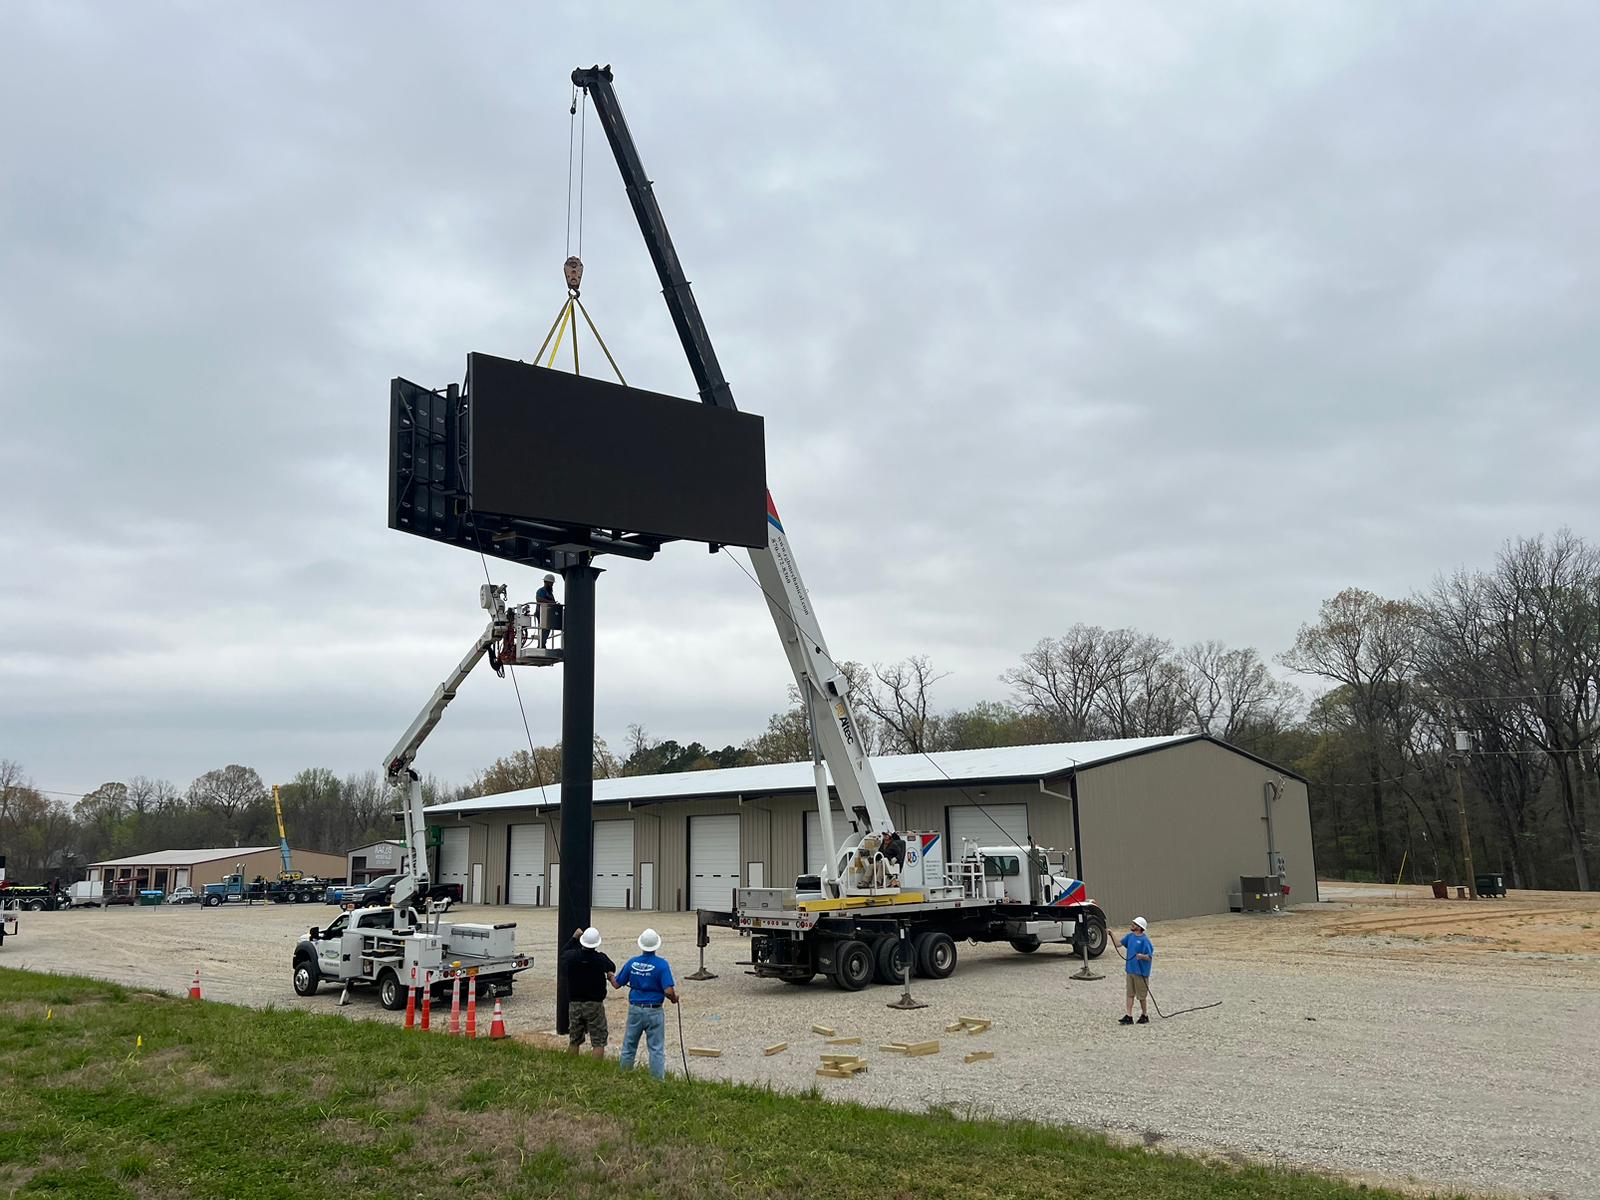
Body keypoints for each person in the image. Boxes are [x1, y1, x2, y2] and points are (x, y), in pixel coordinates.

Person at [611, 927, 679, 1080]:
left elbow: (616, 984)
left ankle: (624, 1077)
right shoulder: (662, 965)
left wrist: (609, 975)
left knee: (629, 1046)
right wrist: (674, 998)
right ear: (656, 946)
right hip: (654, 1010)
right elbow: (668, 991)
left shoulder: (632, 962)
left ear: (641, 945)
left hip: (635, 1009)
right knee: (656, 1049)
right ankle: (657, 1082)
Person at [561, 926, 616, 1059]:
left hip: (575, 1003)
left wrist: (574, 938)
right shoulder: (601, 959)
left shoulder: (571, 957)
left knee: (574, 1039)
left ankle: (572, 1066)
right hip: (594, 1004)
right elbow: (612, 967)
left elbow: (563, 953)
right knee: (598, 1041)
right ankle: (596, 1070)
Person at [1114, 916, 1154, 1024]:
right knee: (1130, 994)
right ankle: (1129, 1016)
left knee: (1141, 996)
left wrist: (1142, 956)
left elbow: (1150, 957)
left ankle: (1145, 1015)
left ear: (1140, 927)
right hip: (1130, 971)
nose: (1132, 925)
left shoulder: (1145, 941)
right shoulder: (1129, 937)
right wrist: (1110, 934)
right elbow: (1118, 944)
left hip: (1141, 973)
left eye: (1134, 924)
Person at [536, 573, 561, 648]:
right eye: (551, 583)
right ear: (546, 582)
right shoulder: (541, 591)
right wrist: (551, 602)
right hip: (541, 612)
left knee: (547, 629)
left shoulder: (550, 593)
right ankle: (541, 644)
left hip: (548, 613)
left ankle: (542, 644)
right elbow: (538, 599)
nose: (552, 585)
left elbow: (552, 601)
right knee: (544, 629)